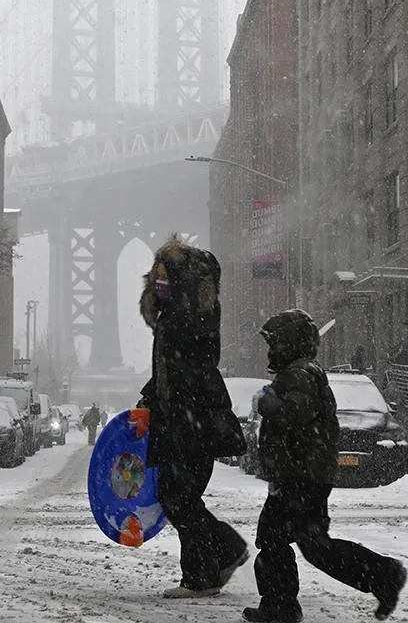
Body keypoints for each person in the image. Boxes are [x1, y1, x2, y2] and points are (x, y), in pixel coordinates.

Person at [247, 309, 407, 623]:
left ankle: (282, 606)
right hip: (304, 475)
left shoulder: (299, 375)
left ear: (289, 344)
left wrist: (267, 402)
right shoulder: (304, 372)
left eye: (274, 343)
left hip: (299, 477)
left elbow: (295, 415)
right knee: (307, 543)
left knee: (281, 540)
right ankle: (380, 575)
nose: (269, 351)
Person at [136, 237, 249, 599]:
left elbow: (190, 365)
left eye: (163, 275)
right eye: (155, 277)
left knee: (177, 497)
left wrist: (169, 401)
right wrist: (152, 393)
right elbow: (176, 367)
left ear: (180, 276)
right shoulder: (184, 311)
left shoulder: (186, 313)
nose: (157, 282)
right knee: (182, 496)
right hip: (187, 413)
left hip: (188, 416)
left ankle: (226, 551)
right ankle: (201, 576)